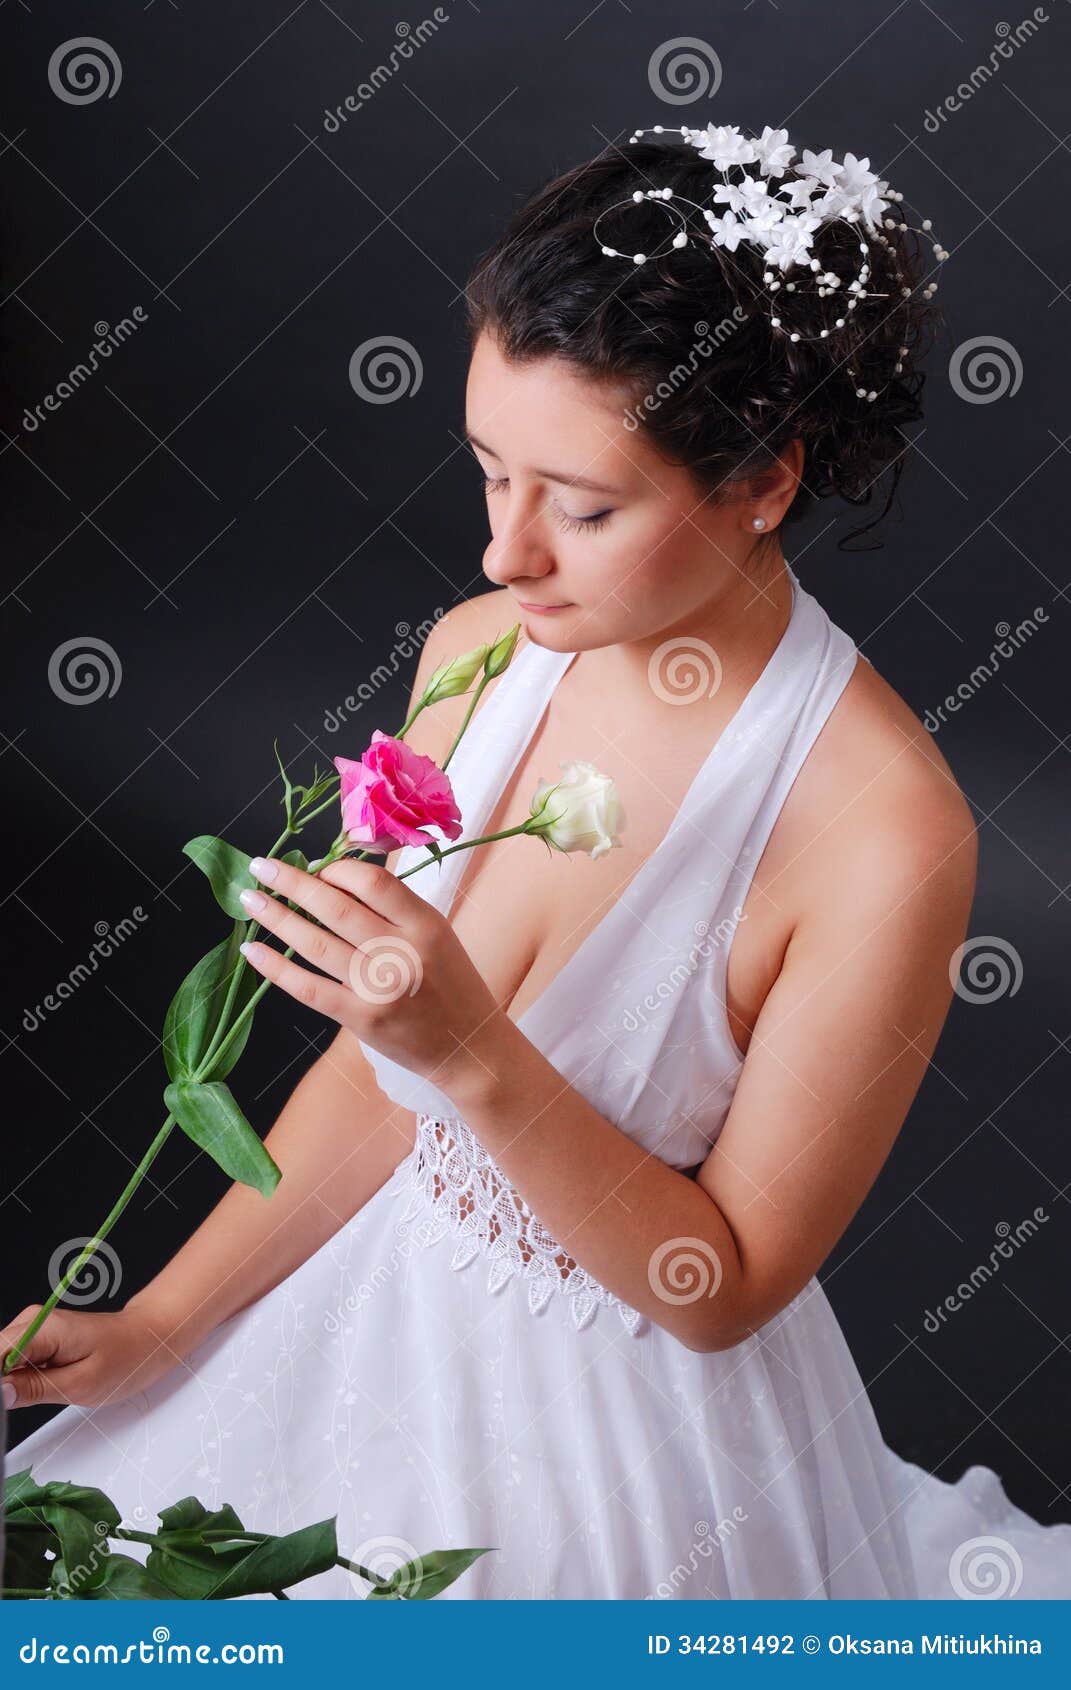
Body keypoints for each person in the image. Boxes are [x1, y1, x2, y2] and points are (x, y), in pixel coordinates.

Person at [4, 123, 1069, 1601]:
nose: (508, 553)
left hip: (625, 1434)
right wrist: (169, 1324)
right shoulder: (479, 653)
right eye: (490, 471)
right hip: (361, 1307)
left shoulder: (885, 832)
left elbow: (726, 1285)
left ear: (762, 478)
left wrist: (475, 1050)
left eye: (582, 505)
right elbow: (380, 1094)